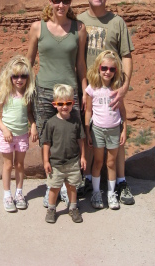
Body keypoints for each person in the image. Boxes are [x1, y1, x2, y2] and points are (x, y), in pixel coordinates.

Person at [27, 0, 87, 207]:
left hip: (70, 92)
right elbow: (29, 62)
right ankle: (52, 186)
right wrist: (23, 91)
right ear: (50, 2)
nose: (61, 5)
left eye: (66, 1)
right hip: (43, 92)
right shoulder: (37, 28)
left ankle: (65, 187)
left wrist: (85, 92)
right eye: (57, 1)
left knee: (70, 139)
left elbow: (80, 64)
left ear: (70, 3)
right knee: (48, 140)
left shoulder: (78, 28)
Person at [78, 0, 135, 205]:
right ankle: (89, 180)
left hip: (112, 89)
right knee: (89, 132)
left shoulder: (117, 22)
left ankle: (120, 182)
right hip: (88, 88)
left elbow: (127, 55)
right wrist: (82, 88)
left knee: (115, 133)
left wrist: (125, 86)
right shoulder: (79, 20)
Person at [0, 55, 38, 212]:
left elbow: (29, 113)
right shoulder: (5, 93)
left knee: (19, 164)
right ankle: (7, 195)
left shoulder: (27, 94)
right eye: (15, 76)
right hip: (7, 135)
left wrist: (33, 125)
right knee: (8, 165)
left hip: (22, 135)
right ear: (10, 77)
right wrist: (4, 129)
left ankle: (19, 193)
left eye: (23, 76)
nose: (19, 80)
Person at [85, 51, 127, 210]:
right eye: (104, 68)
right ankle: (96, 192)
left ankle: (111, 193)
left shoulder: (117, 89)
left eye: (112, 69)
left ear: (115, 71)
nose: (107, 72)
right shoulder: (92, 89)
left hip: (114, 130)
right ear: (98, 68)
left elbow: (123, 111)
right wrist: (88, 131)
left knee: (110, 162)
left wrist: (124, 130)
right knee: (98, 162)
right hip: (97, 130)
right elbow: (88, 111)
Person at [41, 84, 86, 223]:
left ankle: (73, 208)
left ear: (73, 103)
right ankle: (51, 209)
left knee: (72, 187)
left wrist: (83, 157)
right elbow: (46, 143)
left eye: (68, 103)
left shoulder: (75, 122)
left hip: (73, 162)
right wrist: (46, 161)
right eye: (61, 103)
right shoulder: (51, 123)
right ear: (55, 104)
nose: (64, 107)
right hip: (56, 163)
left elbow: (80, 140)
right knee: (54, 187)